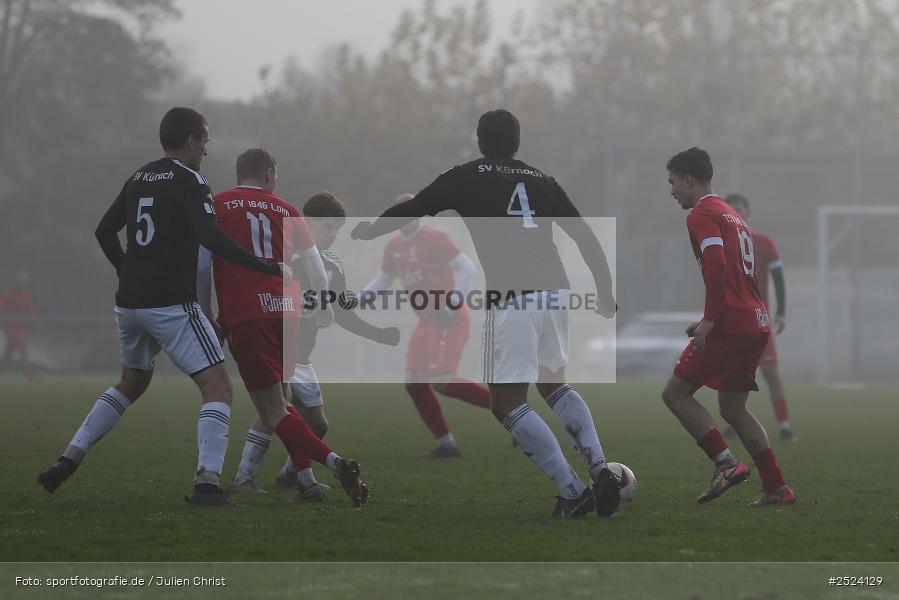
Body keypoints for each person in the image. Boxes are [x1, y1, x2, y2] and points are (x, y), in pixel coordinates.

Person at [352, 109, 620, 519]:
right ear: (518, 141)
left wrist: (370, 230)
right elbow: (583, 233)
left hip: (512, 297)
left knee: (506, 403)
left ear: (480, 141)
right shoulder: (543, 180)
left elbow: (417, 207)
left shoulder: (466, 175)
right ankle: (601, 468)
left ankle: (572, 490)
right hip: (555, 290)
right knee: (555, 385)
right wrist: (604, 290)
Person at [37, 107, 287, 505]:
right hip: (171, 303)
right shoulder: (191, 180)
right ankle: (207, 485)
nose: (206, 150)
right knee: (219, 388)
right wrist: (262, 265)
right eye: (204, 141)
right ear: (190, 141)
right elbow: (210, 236)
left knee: (130, 382)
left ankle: (69, 458)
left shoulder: (138, 176)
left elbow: (104, 230)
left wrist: (126, 269)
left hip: (130, 303)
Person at [211, 151, 368, 507]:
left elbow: (206, 260)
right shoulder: (288, 212)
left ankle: (325, 465)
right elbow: (315, 270)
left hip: (251, 314)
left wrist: (210, 310)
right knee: (284, 408)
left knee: (276, 411)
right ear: (268, 174)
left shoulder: (218, 205)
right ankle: (305, 481)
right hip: (287, 316)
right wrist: (325, 305)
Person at [232, 191, 400, 500]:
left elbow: (342, 315)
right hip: (277, 348)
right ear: (305, 223)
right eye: (326, 227)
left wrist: (378, 335)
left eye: (337, 228)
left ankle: (289, 475)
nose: (333, 234)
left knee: (318, 424)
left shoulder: (333, 266)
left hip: (302, 356)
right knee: (274, 411)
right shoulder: (284, 259)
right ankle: (245, 476)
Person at [662, 147, 795, 507]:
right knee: (734, 410)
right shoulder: (732, 214)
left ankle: (726, 464)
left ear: (689, 180)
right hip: (756, 321)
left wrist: (710, 319)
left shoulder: (702, 214)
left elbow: (718, 265)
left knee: (674, 394)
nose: (671, 190)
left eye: (673, 182)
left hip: (731, 323)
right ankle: (777, 488)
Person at [363, 194, 491, 458]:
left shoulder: (435, 238)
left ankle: (509, 409)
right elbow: (382, 280)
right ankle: (448, 445)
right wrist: (355, 298)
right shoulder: (394, 245)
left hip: (447, 318)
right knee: (414, 383)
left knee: (442, 382)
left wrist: (452, 302)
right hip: (426, 322)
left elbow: (467, 269)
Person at [723, 194, 796, 442]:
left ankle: (785, 426)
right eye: (731, 208)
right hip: (733, 321)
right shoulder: (721, 244)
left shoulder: (764, 242)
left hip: (760, 319)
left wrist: (782, 312)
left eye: (740, 207)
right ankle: (734, 423)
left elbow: (778, 279)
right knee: (735, 374)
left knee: (771, 373)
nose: (736, 211)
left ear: (748, 211)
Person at [0, 271, 37, 379]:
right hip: (9, 327)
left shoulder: (27, 293)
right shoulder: (8, 293)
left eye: (25, 281)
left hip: (19, 327)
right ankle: (29, 375)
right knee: (22, 347)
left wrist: (35, 321)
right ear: (16, 281)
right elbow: (1, 308)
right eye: (22, 280)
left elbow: (30, 308)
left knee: (9, 353)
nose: (24, 283)